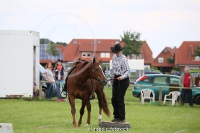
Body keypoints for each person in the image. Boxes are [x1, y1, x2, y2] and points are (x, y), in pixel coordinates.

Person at [110, 43, 130, 123]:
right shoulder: (114, 57)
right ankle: (116, 116)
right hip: (116, 78)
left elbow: (128, 70)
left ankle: (121, 117)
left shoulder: (123, 59)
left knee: (119, 99)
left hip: (123, 80)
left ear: (120, 51)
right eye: (115, 52)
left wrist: (121, 77)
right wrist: (113, 76)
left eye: (117, 52)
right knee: (113, 99)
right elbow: (113, 68)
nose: (116, 53)